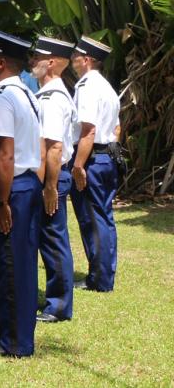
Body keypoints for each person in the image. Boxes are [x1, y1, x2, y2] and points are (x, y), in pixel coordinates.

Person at [0, 31, 42, 358]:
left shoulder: (1, 98)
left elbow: (5, 154)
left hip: (9, 190)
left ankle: (13, 342)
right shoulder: (27, 95)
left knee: (11, 265)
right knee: (23, 264)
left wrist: (0, 202)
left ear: (0, 62)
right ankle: (20, 335)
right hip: (26, 186)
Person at [32, 37, 79, 323]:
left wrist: (49, 187)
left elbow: (54, 147)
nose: (32, 63)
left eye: (37, 58)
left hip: (53, 176)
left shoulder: (53, 98)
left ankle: (59, 305)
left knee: (53, 240)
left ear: (50, 62)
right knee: (50, 238)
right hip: (51, 175)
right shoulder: (48, 94)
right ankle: (56, 297)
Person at [69, 36, 121, 293]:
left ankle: (99, 279)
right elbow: (117, 127)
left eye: (75, 56)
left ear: (86, 59)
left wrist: (78, 166)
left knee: (93, 219)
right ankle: (103, 274)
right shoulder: (106, 87)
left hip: (92, 158)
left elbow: (88, 130)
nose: (72, 61)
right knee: (103, 216)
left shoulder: (88, 86)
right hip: (107, 156)